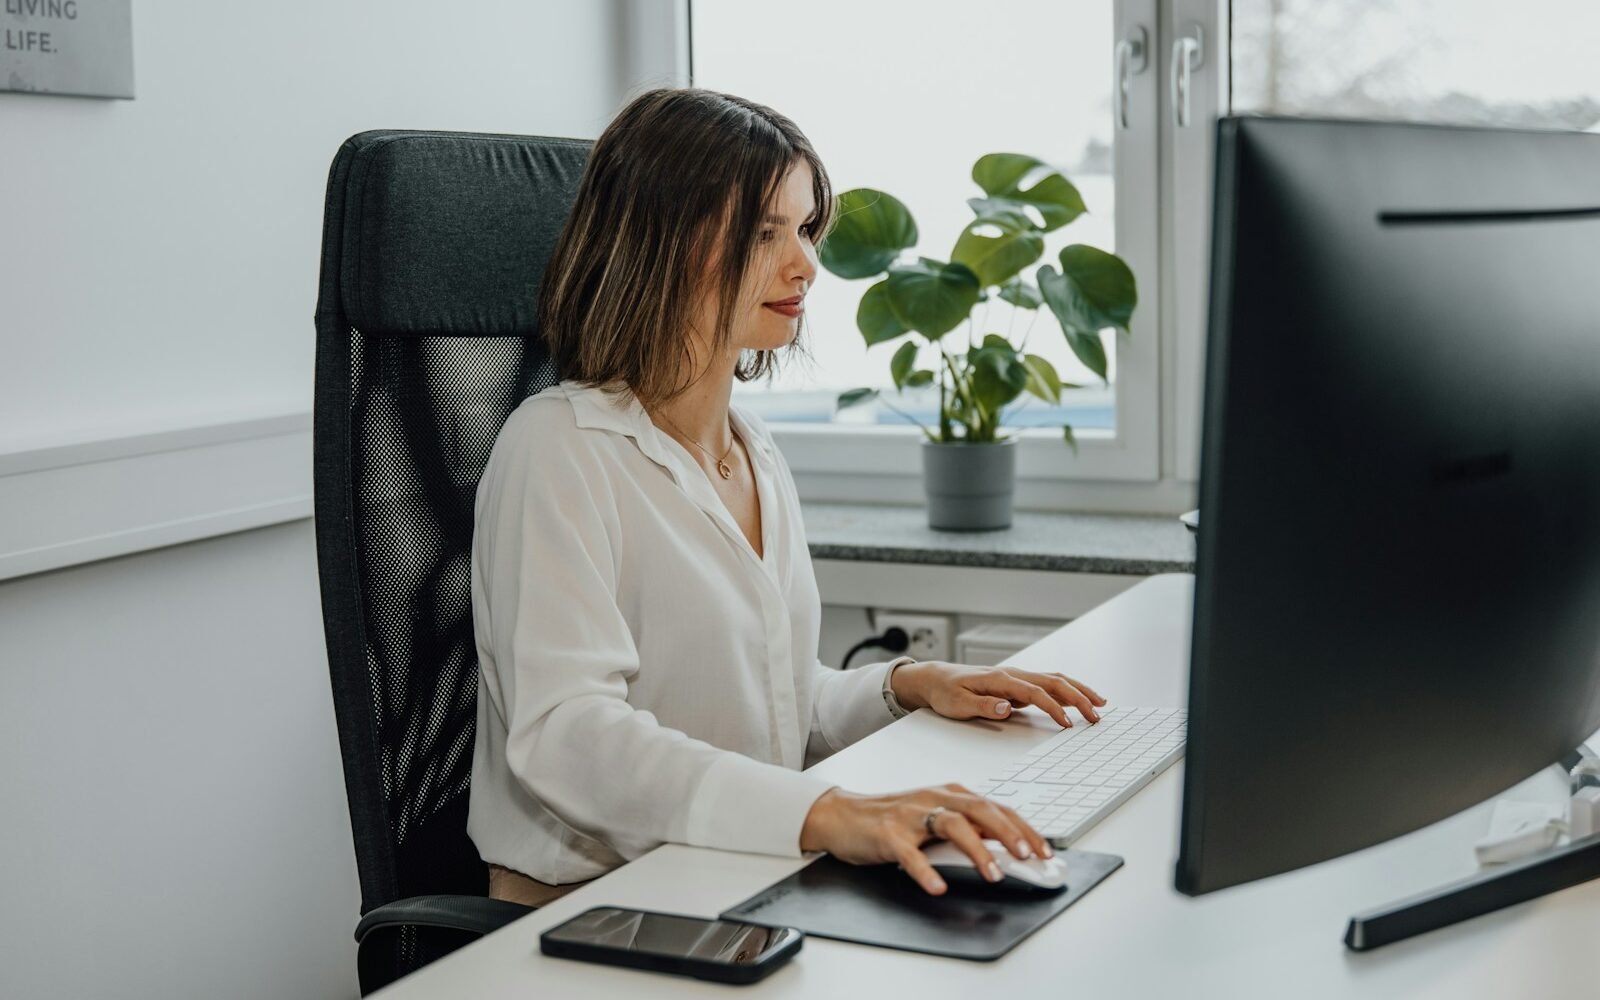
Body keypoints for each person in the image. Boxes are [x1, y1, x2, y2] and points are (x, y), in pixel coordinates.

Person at [468, 87, 1106, 907]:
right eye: (763, 231)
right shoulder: (558, 448)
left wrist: (908, 685)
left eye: (804, 228)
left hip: (738, 882)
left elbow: (767, 704)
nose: (805, 262)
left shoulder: (754, 451)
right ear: (657, 242)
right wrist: (827, 810)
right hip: (592, 913)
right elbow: (569, 735)